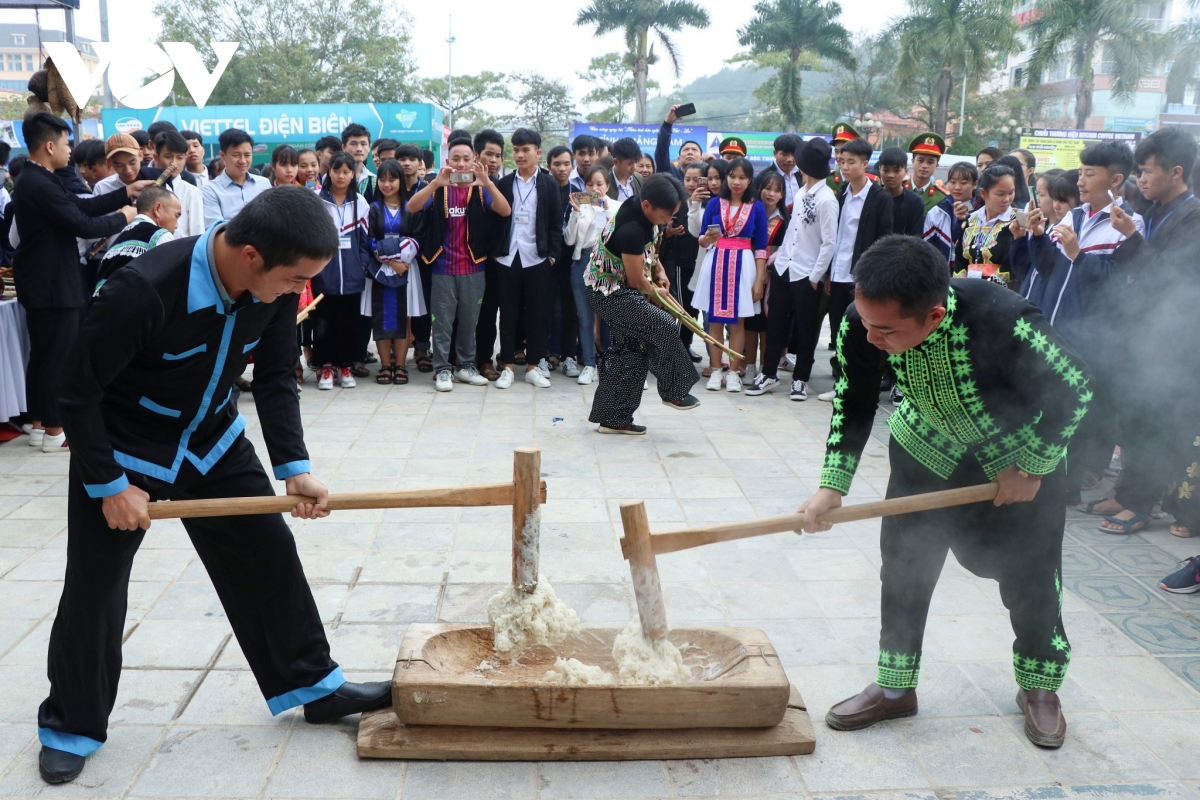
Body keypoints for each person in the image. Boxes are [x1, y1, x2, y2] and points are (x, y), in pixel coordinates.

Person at [39, 187, 391, 786]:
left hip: (211, 439)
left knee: (268, 554)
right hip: (127, 445)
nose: (296, 291)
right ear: (251, 255)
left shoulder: (272, 287)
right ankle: (71, 724)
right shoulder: (143, 290)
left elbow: (278, 374)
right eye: (294, 279)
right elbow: (74, 391)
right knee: (95, 589)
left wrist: (294, 466)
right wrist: (108, 484)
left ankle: (313, 685)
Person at [799, 235, 1092, 751]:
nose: (870, 338)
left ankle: (1040, 687)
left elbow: (1079, 387)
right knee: (905, 568)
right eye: (866, 322)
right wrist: (832, 485)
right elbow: (853, 400)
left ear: (933, 316)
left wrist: (1033, 466)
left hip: (1018, 460)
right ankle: (895, 687)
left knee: (1032, 577)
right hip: (925, 450)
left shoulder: (1006, 318)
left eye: (886, 330)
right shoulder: (859, 322)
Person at [13, 114, 150, 453]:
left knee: (44, 355)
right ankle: (56, 429)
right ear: (49, 145)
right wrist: (126, 216)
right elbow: (81, 223)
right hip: (53, 284)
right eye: (65, 142)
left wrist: (124, 194)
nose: (69, 149)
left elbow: (78, 204)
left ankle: (41, 425)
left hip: (44, 281)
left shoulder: (38, 178)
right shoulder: (39, 182)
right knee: (57, 356)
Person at [1096, 128, 1200, 537]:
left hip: (1172, 341)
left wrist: (1132, 240)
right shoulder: (1152, 210)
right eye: (1138, 171)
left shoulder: (1193, 218)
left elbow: (1175, 278)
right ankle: (1125, 494)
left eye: (1147, 170)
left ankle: (1141, 503)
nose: (1140, 178)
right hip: (1140, 333)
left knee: (1154, 420)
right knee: (1134, 418)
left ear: (1177, 172)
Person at [585, 173, 700, 433]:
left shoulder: (642, 208)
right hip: (608, 291)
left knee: (631, 350)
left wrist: (659, 270)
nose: (668, 221)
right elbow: (637, 281)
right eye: (666, 216)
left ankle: (615, 419)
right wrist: (658, 296)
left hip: (622, 286)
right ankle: (674, 390)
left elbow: (648, 251)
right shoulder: (631, 228)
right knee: (664, 324)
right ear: (647, 205)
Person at [408, 134, 511, 392]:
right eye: (456, 159)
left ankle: (465, 366)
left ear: (474, 160)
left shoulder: (480, 189)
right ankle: (443, 369)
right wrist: (434, 184)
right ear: (447, 160)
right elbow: (411, 207)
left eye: (466, 158)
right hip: (442, 267)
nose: (462, 164)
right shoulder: (437, 187)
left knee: (469, 321)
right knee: (441, 322)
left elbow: (505, 210)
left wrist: (486, 182)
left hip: (474, 267)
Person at [747, 137, 838, 401]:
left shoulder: (827, 199)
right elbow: (792, 232)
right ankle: (769, 373)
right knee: (775, 323)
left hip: (808, 274)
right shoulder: (799, 192)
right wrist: (779, 258)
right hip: (786, 268)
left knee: (806, 329)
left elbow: (829, 242)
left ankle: (800, 379)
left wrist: (815, 276)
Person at [818, 136, 894, 401]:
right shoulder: (841, 195)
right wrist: (828, 272)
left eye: (851, 162)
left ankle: (864, 387)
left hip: (862, 278)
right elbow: (835, 238)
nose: (845, 167)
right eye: (842, 161)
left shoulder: (879, 198)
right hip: (838, 275)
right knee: (840, 330)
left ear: (865, 164)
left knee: (865, 333)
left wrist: (870, 277)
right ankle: (842, 385)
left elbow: (883, 240)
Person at [492, 128, 564, 389]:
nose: (520, 155)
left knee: (538, 314)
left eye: (525, 150)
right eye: (516, 150)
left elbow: (557, 225)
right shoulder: (504, 183)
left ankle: (534, 365)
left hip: (537, 258)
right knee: (508, 314)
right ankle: (508, 366)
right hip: (508, 258)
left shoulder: (548, 185)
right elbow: (495, 221)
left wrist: (552, 257)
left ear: (538, 152)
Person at [694, 156, 768, 392]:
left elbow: (761, 246)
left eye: (742, 177)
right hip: (716, 261)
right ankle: (716, 369)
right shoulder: (716, 203)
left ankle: (734, 371)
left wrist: (759, 279)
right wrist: (708, 238)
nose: (737, 181)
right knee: (714, 320)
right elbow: (702, 238)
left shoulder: (756, 207)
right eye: (733, 176)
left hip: (743, 263)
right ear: (727, 178)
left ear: (749, 180)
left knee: (738, 322)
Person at [312, 151, 371, 390]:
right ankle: (326, 367)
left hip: (352, 276)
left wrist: (362, 264)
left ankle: (345, 366)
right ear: (329, 171)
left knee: (349, 324)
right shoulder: (316, 200)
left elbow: (366, 241)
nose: (341, 176)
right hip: (323, 276)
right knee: (323, 324)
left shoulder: (360, 202)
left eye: (347, 171)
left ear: (353, 174)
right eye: (336, 170)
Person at [366, 159, 419, 386]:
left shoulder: (412, 207)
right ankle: (385, 365)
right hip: (380, 268)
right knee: (381, 316)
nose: (387, 184)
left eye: (392, 179)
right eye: (382, 179)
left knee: (402, 316)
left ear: (401, 180)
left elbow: (418, 238)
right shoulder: (373, 208)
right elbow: (368, 240)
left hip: (407, 267)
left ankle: (401, 365)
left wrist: (400, 260)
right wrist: (390, 260)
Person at [566, 166, 620, 385]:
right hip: (583, 260)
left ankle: (609, 361)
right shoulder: (581, 206)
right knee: (585, 318)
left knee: (608, 315)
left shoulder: (617, 207)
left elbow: (617, 236)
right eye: (590, 184)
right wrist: (576, 213)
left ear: (607, 186)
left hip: (607, 263)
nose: (595, 188)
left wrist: (606, 210)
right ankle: (589, 364)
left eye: (599, 184)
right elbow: (569, 241)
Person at [742, 169, 789, 381]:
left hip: (776, 278)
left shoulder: (786, 220)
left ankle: (765, 367)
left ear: (782, 195)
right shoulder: (748, 213)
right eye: (767, 188)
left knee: (770, 325)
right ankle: (749, 365)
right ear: (758, 188)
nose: (771, 193)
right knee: (751, 321)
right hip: (750, 273)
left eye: (777, 190)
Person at [471, 128, 507, 381]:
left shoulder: (504, 184)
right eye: (488, 154)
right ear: (477, 155)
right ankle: (458, 358)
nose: (493, 160)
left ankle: (485, 359)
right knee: (463, 312)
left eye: (498, 155)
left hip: (495, 259)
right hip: (463, 257)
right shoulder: (460, 182)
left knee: (489, 312)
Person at [94, 186, 180, 289]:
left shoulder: (115, 243)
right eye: (176, 215)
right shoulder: (161, 236)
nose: (176, 226)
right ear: (157, 209)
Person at [955, 164, 1021, 287]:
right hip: (967, 288)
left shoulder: (1017, 222)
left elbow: (1014, 265)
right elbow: (960, 258)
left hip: (1000, 293)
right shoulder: (972, 219)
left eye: (1011, 192)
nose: (1007, 199)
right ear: (984, 193)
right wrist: (960, 286)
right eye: (1000, 194)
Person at [546, 145, 580, 376]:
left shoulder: (579, 193)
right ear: (549, 166)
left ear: (572, 165)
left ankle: (570, 355)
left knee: (571, 307)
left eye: (566, 164)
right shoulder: (543, 189)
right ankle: (551, 353)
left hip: (571, 259)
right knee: (550, 308)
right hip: (547, 258)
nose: (562, 168)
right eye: (557, 163)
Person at [202, 128, 270, 227]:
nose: (242, 161)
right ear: (223, 155)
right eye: (236, 155)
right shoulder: (210, 190)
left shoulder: (264, 184)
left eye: (247, 155)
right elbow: (215, 229)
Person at [923, 162, 977, 265]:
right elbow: (926, 246)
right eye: (952, 182)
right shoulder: (937, 212)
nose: (957, 187)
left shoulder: (982, 211)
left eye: (963, 183)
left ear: (975, 184)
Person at [878, 147, 925, 237]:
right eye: (886, 170)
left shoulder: (915, 202)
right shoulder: (873, 198)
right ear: (880, 169)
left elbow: (916, 237)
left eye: (896, 171)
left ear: (906, 171)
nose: (891, 175)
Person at [655, 105, 705, 181]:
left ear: (701, 158)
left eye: (694, 150)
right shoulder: (670, 174)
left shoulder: (707, 176)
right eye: (686, 150)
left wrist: (713, 163)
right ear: (679, 159)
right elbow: (662, 150)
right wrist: (667, 124)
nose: (690, 152)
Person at [907, 132, 948, 215]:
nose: (925, 166)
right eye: (920, 160)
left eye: (930, 162)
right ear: (912, 161)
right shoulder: (898, 189)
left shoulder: (942, 197)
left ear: (937, 165)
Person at [761, 133, 802, 207]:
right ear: (775, 153)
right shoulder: (763, 178)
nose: (790, 159)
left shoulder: (803, 175)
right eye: (784, 154)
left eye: (794, 154)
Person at [341, 123, 374, 198]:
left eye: (363, 144)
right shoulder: (332, 177)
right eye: (353, 144)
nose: (359, 149)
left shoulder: (374, 181)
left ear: (369, 147)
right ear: (344, 147)